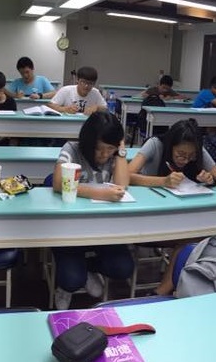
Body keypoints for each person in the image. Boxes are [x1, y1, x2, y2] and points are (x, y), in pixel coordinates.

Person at [127, 118, 216, 295]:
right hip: (148, 220)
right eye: (180, 154)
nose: (185, 160)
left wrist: (211, 181)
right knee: (190, 238)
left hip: (179, 219)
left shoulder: (197, 150)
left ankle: (160, 292)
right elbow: (126, 175)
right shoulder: (155, 144)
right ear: (171, 145)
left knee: (196, 236)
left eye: (191, 156)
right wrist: (163, 181)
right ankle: (165, 291)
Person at [51, 112, 134, 310]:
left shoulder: (115, 154)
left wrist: (120, 151)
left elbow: (123, 185)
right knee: (72, 280)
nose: (104, 155)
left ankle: (87, 267)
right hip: (69, 230)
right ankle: (67, 284)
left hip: (103, 229)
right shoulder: (72, 149)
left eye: (110, 149)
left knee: (123, 268)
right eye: (99, 149)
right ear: (88, 142)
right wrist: (100, 193)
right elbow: (58, 183)